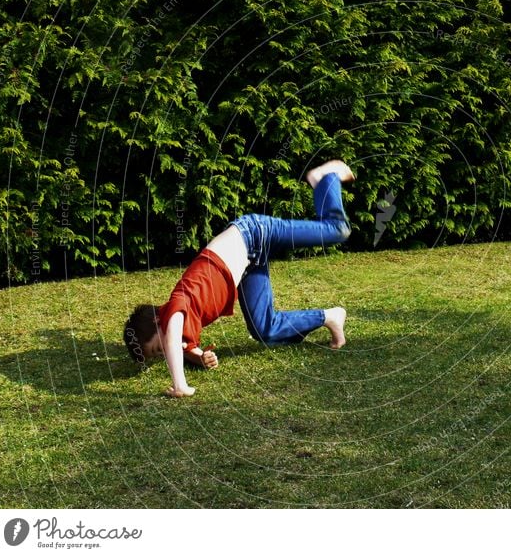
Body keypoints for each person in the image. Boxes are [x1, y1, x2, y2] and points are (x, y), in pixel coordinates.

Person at [123, 160, 355, 397]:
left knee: (337, 230)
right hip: (248, 262)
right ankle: (330, 316)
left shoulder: (175, 307)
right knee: (263, 329)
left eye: (157, 348)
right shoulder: (182, 327)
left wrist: (180, 384)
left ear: (155, 321)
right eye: (159, 356)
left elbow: (172, 340)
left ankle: (326, 178)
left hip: (251, 234)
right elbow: (185, 346)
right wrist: (201, 357)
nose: (164, 354)